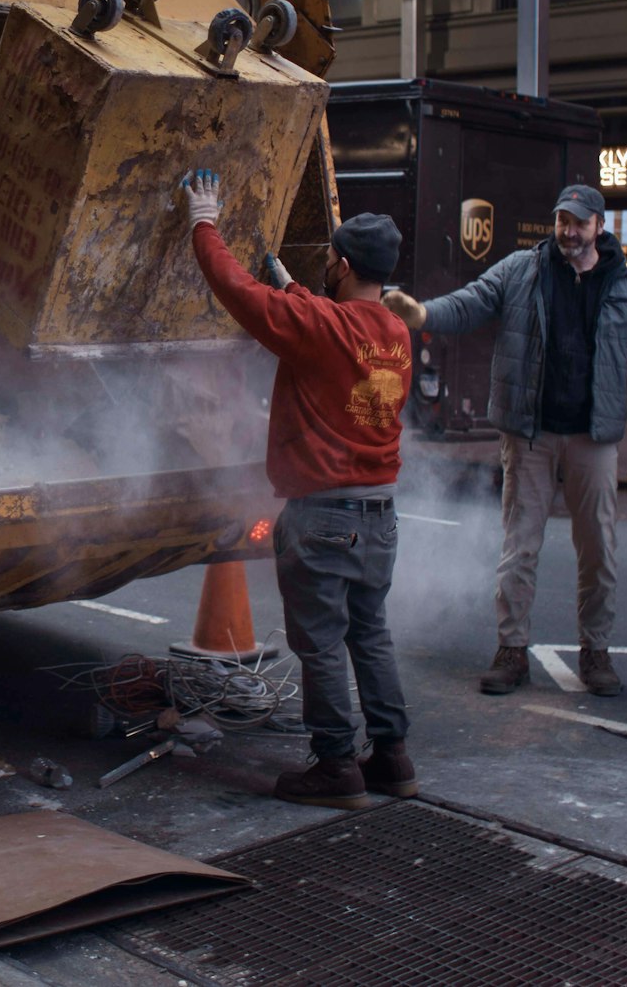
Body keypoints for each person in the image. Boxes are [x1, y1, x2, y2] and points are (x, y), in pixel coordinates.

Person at [180, 169, 416, 809]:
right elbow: (336, 328)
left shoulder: (320, 327)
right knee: (370, 634)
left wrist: (204, 220)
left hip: (322, 515)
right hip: (379, 516)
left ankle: (335, 766)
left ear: (339, 264)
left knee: (319, 645)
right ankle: (391, 758)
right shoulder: (394, 333)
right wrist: (291, 286)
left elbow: (236, 290)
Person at [383, 183, 627, 698]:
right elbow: (472, 303)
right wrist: (422, 315)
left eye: (578, 222)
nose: (568, 231)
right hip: (529, 431)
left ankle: (595, 653)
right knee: (519, 548)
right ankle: (512, 651)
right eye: (561, 220)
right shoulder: (522, 269)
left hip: (592, 437)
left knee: (598, 550)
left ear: (599, 227)